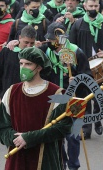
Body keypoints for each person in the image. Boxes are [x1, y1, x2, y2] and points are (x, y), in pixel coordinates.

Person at [0, 47, 73, 170]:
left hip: (46, 160)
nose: (23, 67)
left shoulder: (56, 93)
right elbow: (0, 128)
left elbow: (63, 128)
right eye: (21, 63)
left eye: (28, 64)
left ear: (39, 67)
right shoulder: (11, 92)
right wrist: (17, 139)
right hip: (17, 159)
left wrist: (31, 138)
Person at [44, 22, 92, 170]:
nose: (50, 42)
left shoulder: (76, 52)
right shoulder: (47, 52)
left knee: (73, 136)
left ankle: (73, 166)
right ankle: (62, 163)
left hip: (75, 98)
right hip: (56, 99)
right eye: (50, 39)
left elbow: (89, 76)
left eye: (53, 40)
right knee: (57, 135)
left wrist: (77, 79)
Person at [69, 0, 103, 139]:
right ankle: (86, 127)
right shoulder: (78, 25)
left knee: (99, 96)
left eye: (96, 6)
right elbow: (71, 46)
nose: (93, 8)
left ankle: (98, 119)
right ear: (85, 7)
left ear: (99, 7)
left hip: (100, 66)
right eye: (91, 6)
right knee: (85, 96)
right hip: (84, 66)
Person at [0, 25, 36, 109]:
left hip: (29, 101)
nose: (29, 46)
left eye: (32, 43)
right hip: (6, 99)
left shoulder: (37, 55)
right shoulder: (7, 51)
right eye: (26, 42)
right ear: (19, 38)